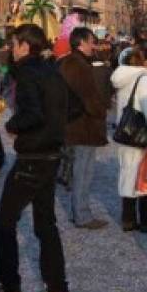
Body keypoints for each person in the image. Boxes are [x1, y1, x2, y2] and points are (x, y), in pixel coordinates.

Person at [0, 24, 70, 292]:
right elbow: (73, 106)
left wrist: (12, 125)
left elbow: (32, 113)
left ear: (25, 46)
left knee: (4, 221)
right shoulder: (52, 71)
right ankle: (57, 291)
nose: (10, 49)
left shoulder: (29, 72)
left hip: (33, 156)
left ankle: (10, 290)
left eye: (14, 44)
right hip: (51, 153)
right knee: (45, 223)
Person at [110, 45, 147, 232]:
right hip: (142, 137)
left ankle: (128, 219)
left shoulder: (121, 78)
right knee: (144, 177)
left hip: (126, 135)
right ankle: (145, 221)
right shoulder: (144, 80)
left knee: (127, 174)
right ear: (145, 61)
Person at [59, 27, 111, 230]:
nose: (94, 46)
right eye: (91, 42)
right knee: (83, 171)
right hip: (82, 125)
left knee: (81, 169)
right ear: (80, 43)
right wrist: (100, 112)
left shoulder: (70, 62)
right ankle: (82, 215)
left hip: (76, 124)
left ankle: (80, 212)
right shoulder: (77, 65)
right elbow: (88, 96)